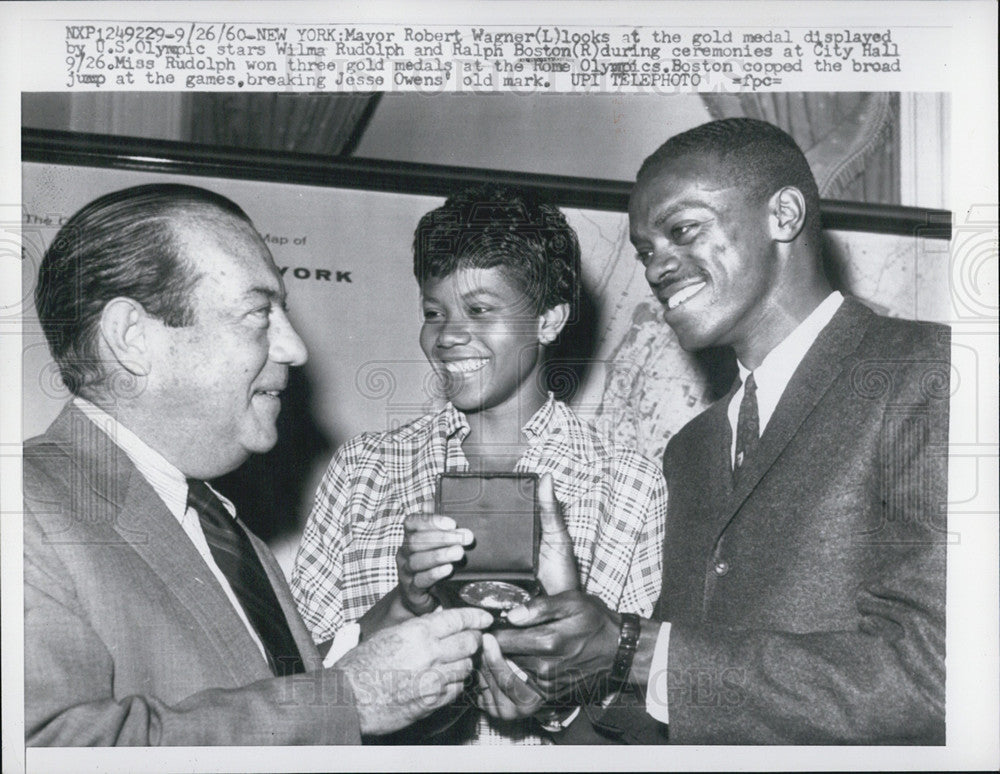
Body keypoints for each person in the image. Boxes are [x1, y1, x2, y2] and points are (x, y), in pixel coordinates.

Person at [488, 118, 950, 744]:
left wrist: (631, 649)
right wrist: (567, 686)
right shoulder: (693, 449)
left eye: (682, 230)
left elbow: (942, 675)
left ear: (783, 214)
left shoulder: (929, 373)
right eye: (645, 252)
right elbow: (682, 707)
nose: (656, 268)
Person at [23, 183, 493, 746]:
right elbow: (46, 747)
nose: (295, 349)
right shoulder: (21, 507)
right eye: (257, 313)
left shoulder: (227, 532)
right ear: (132, 338)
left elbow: (239, 692)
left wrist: (394, 627)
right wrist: (345, 700)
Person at [291, 185, 668, 744]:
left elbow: (649, 720)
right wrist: (402, 605)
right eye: (433, 312)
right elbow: (295, 684)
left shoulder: (630, 483)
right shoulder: (363, 469)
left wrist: (558, 704)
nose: (448, 335)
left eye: (480, 310)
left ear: (549, 321)